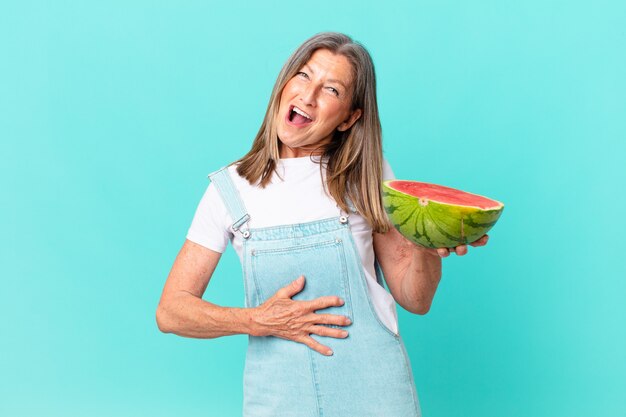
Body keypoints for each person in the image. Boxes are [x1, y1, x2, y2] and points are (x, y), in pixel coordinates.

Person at [156, 31, 489, 417]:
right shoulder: (230, 189)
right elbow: (171, 311)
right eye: (302, 75)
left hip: (376, 394)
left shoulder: (367, 177)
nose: (308, 95)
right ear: (284, 83)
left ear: (350, 118)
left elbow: (416, 299)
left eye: (331, 89)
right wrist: (258, 320)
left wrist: (427, 244)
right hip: (278, 400)